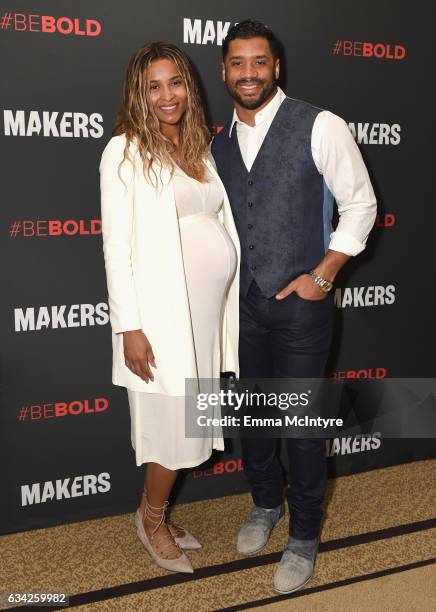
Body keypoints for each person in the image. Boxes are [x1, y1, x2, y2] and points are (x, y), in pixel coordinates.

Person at [211, 20, 377, 593]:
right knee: (255, 415)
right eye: (238, 63)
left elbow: (361, 205)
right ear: (225, 71)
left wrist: (323, 275)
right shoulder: (218, 143)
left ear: (275, 67)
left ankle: (305, 534)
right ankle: (264, 505)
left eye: (259, 61)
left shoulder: (319, 124)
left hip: (304, 307)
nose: (249, 72)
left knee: (303, 425)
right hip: (245, 308)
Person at [99, 42, 240, 574]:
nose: (167, 95)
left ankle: (156, 509)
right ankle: (151, 519)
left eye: (175, 82)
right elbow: (117, 249)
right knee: (171, 427)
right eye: (154, 86)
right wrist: (129, 328)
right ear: (139, 92)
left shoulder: (197, 146)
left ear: (189, 87)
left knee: (193, 420)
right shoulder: (125, 151)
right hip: (159, 322)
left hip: (202, 321)